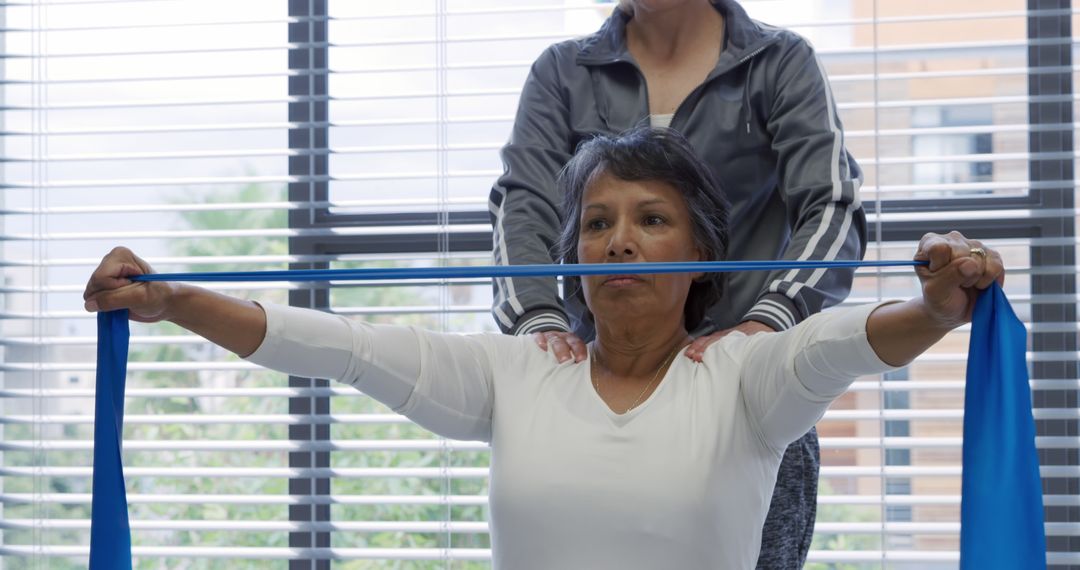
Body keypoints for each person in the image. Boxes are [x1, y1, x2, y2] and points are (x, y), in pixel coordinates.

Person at [85, 129, 1002, 570]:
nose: (618, 241)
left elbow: (838, 346)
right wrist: (173, 302)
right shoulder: (516, 372)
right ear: (570, 254)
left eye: (651, 220)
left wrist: (939, 307)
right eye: (596, 223)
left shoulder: (744, 378)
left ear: (701, 252)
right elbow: (343, 348)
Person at [488, 2, 864, 564]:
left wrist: (769, 321)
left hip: (745, 394)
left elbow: (832, 206)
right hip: (595, 388)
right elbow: (523, 210)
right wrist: (539, 328)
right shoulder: (561, 72)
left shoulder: (779, 62)